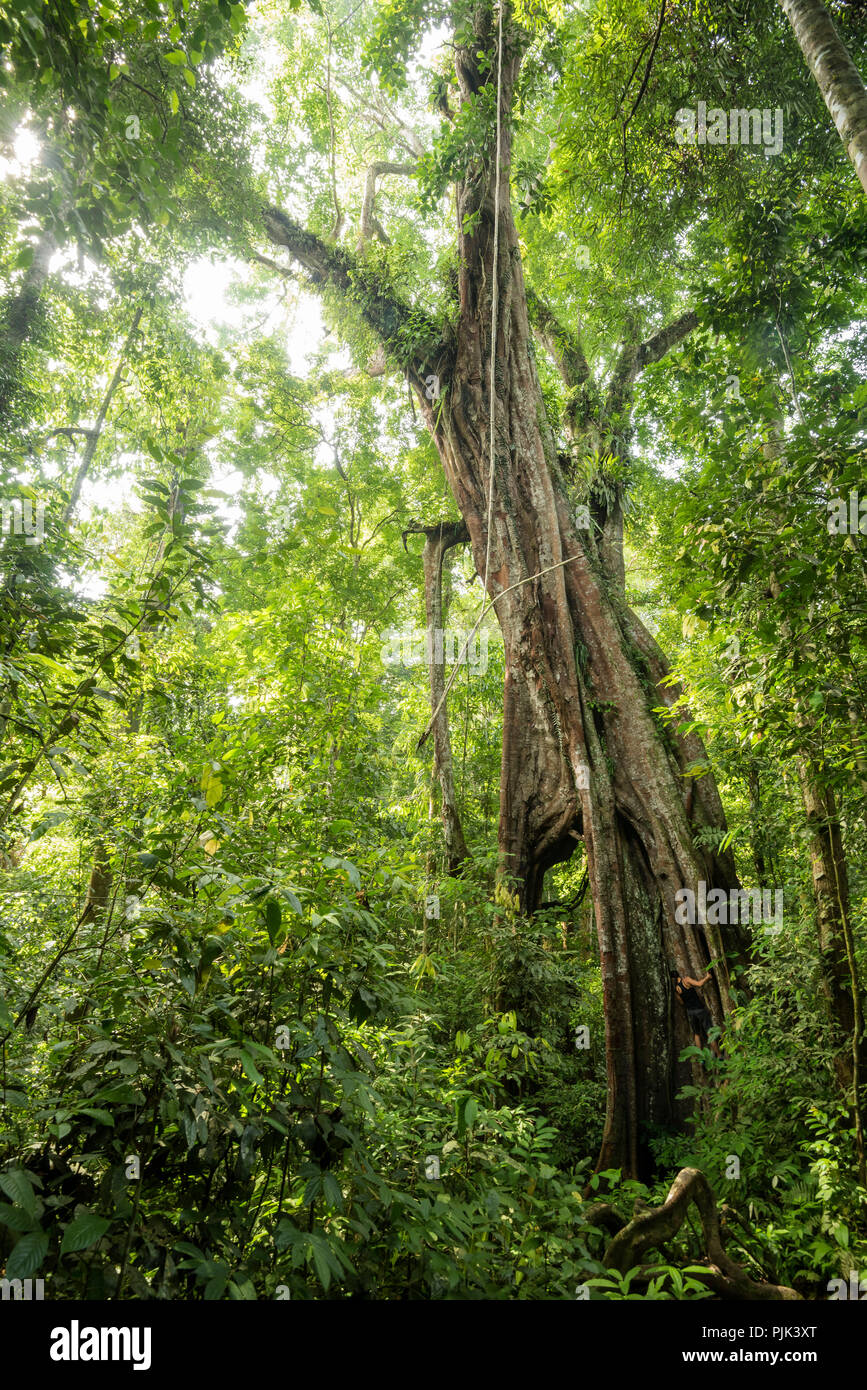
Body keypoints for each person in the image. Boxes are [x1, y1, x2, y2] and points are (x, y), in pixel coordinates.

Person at [671, 969, 722, 1059]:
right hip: (699, 1010)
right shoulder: (686, 980)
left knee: (696, 1034)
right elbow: (699, 984)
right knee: (709, 1032)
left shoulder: (676, 989)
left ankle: (700, 1057)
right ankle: (719, 1055)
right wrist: (707, 977)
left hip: (690, 1012)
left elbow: (682, 1003)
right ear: (679, 975)